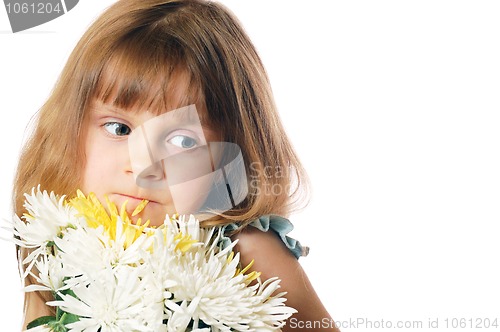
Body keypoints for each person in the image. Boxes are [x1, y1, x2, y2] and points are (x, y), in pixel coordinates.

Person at [13, 0, 339, 331]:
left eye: (183, 142)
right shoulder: (55, 238)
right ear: (70, 129)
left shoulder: (249, 251)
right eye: (119, 129)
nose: (144, 168)